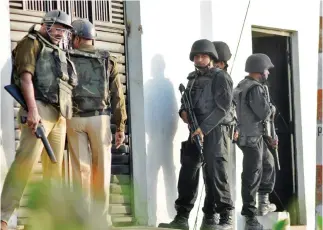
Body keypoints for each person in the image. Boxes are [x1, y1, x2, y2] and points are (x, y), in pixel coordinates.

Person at [1, 10, 77, 230]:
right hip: (39, 110)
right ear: (47, 24)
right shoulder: (31, 43)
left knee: (54, 170)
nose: (62, 33)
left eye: (65, 29)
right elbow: (26, 79)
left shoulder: (59, 51)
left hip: (58, 115)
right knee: (24, 164)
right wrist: (33, 111)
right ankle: (3, 218)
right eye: (59, 28)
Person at [160, 39, 234, 230]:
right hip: (195, 130)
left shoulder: (220, 77)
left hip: (215, 131)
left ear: (211, 58)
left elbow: (223, 108)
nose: (200, 59)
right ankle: (182, 217)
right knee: (188, 173)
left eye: (204, 56)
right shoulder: (192, 79)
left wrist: (204, 128)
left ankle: (225, 217)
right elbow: (186, 102)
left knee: (216, 173)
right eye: (197, 56)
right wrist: (183, 112)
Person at [66, 19, 127, 227]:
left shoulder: (66, 56)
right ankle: (101, 220)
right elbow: (117, 95)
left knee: (79, 170)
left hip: (74, 118)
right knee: (101, 170)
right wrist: (120, 127)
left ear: (77, 37)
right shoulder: (107, 58)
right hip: (100, 119)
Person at [233, 53, 277, 230]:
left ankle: (263, 201)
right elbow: (263, 113)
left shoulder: (242, 85)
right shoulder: (255, 88)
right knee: (252, 175)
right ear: (260, 70)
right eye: (266, 70)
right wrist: (272, 108)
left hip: (250, 136)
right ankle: (250, 216)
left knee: (268, 164)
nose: (268, 73)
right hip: (252, 138)